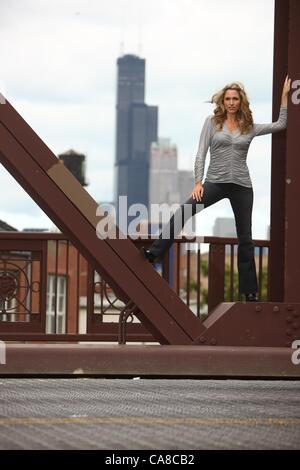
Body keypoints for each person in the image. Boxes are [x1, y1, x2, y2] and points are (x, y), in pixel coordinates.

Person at [141, 76, 291, 301]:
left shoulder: (248, 127)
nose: (231, 102)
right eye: (228, 99)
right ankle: (155, 253)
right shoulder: (211, 123)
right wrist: (198, 182)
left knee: (245, 237)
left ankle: (250, 291)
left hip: (241, 186)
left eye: (235, 99)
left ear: (241, 102)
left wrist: (284, 97)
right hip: (215, 183)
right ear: (223, 102)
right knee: (183, 211)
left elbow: (281, 124)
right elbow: (201, 152)